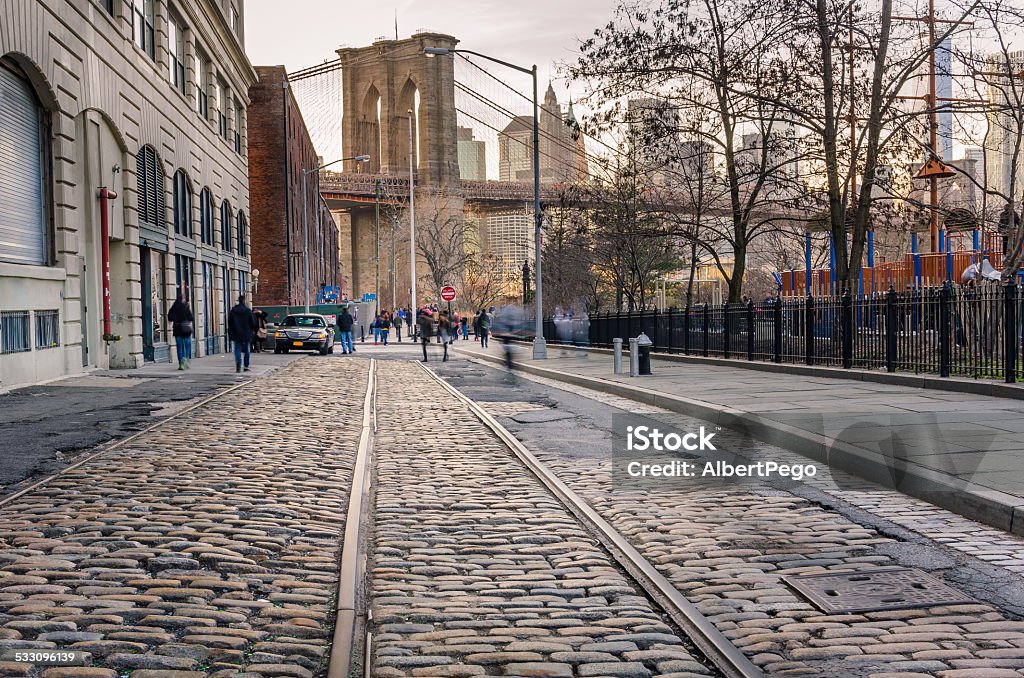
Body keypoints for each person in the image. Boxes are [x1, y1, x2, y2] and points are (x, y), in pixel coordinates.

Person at [228, 294, 257, 373]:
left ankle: (238, 364)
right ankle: (246, 366)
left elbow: (230, 322)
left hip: (236, 333)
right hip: (246, 333)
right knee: (246, 350)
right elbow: (252, 323)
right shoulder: (247, 311)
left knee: (237, 349)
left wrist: (231, 332)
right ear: (244, 300)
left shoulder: (233, 310)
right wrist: (252, 330)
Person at [167, 294, 193, 370]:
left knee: (179, 347)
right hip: (185, 329)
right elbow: (191, 317)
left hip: (177, 329)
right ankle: (186, 359)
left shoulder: (174, 307)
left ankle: (181, 363)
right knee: (187, 345)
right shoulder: (186, 306)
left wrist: (176, 319)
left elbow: (170, 317)